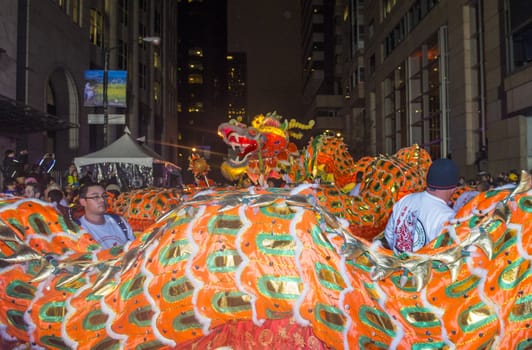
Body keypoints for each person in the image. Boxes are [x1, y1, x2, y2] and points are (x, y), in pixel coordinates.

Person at [384, 158, 459, 254]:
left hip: (398, 266)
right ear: (453, 189)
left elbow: (389, 235)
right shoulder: (448, 216)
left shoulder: (405, 200)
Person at [77, 182, 134, 249]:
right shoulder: (78, 230)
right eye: (96, 197)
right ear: (83, 202)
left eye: (104, 196)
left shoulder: (120, 222)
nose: (102, 200)